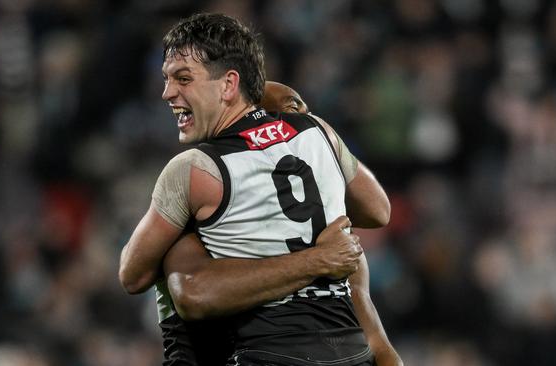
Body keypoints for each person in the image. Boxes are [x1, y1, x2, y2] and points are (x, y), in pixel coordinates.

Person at [119, 13, 399, 365]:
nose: (167, 93)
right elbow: (377, 210)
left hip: (269, 353)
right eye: (167, 79)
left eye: (183, 79)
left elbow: (133, 274)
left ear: (227, 85)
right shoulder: (317, 131)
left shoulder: (195, 171)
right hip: (349, 352)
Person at [155, 81, 403, 366]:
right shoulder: (199, 221)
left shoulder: (335, 237)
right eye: (290, 113)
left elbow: (376, 342)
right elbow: (188, 294)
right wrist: (315, 261)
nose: (301, 125)